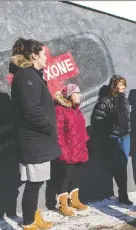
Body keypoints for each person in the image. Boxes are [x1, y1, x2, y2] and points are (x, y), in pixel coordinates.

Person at [10, 38, 61, 230]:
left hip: (39, 141)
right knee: (33, 184)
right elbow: (31, 110)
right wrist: (50, 127)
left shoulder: (31, 75)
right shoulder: (26, 76)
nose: (47, 58)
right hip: (34, 141)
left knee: (37, 182)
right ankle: (29, 223)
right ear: (34, 56)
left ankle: (34, 216)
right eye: (44, 54)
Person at [48, 84, 89, 216]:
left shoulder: (77, 110)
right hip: (68, 151)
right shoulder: (60, 110)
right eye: (76, 92)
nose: (79, 95)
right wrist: (63, 151)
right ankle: (63, 204)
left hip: (79, 150)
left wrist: (85, 141)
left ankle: (75, 200)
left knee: (76, 175)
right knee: (64, 177)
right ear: (70, 95)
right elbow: (58, 133)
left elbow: (81, 128)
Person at [92, 75, 133, 205]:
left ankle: (123, 193)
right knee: (116, 166)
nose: (123, 87)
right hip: (113, 138)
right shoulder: (105, 101)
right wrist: (108, 128)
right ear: (114, 86)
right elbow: (96, 120)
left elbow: (127, 119)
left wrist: (127, 128)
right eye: (120, 84)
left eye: (124, 84)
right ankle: (122, 192)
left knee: (123, 164)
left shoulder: (125, 101)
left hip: (125, 137)